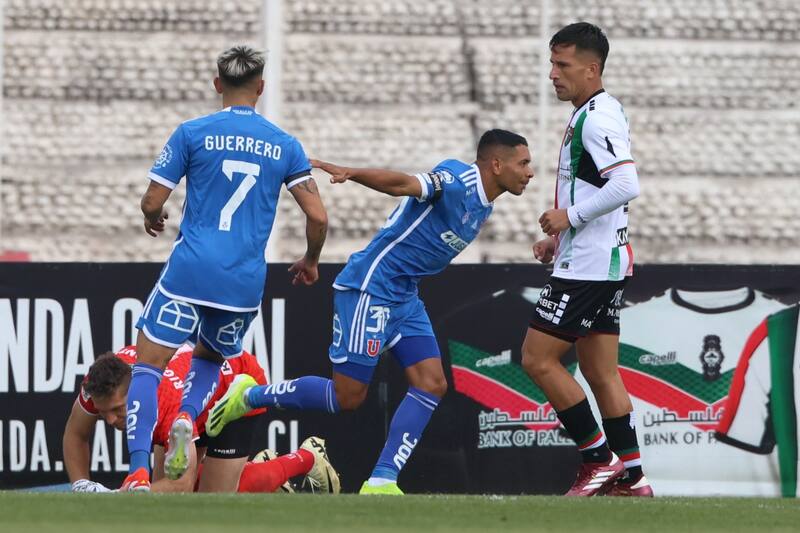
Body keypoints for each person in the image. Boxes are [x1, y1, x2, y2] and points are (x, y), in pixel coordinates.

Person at [206, 129, 534, 495]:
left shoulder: (485, 202)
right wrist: (352, 172)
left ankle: (381, 480)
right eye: (523, 163)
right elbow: (403, 184)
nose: (530, 172)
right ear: (496, 163)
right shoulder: (459, 180)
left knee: (432, 383)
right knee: (348, 396)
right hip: (370, 288)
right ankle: (249, 396)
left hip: (404, 296)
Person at [124, 45, 328, 491]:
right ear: (261, 87)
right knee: (210, 358)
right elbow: (318, 217)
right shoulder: (285, 145)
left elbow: (153, 200)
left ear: (217, 84)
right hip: (242, 281)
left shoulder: (192, 133)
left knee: (147, 368)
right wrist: (311, 260)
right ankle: (185, 415)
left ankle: (140, 470)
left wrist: (151, 216)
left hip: (190, 271)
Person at [521, 22, 649, 497]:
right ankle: (633, 480)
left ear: (592, 69)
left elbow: (625, 184)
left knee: (537, 359)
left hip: (590, 269)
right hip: (602, 260)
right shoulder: (597, 110)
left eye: (563, 65)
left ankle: (599, 459)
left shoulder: (597, 117)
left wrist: (567, 216)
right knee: (599, 371)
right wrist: (563, 236)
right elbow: (604, 188)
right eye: (552, 63)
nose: (553, 74)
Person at [63, 346, 339, 493]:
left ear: (135, 393)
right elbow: (76, 434)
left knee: (213, 500)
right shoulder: (98, 385)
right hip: (192, 398)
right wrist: (81, 485)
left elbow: (178, 485)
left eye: (118, 410)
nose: (110, 420)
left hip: (232, 392)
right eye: (103, 413)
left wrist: (117, 499)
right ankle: (252, 468)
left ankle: (307, 457)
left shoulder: (166, 404)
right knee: (164, 506)